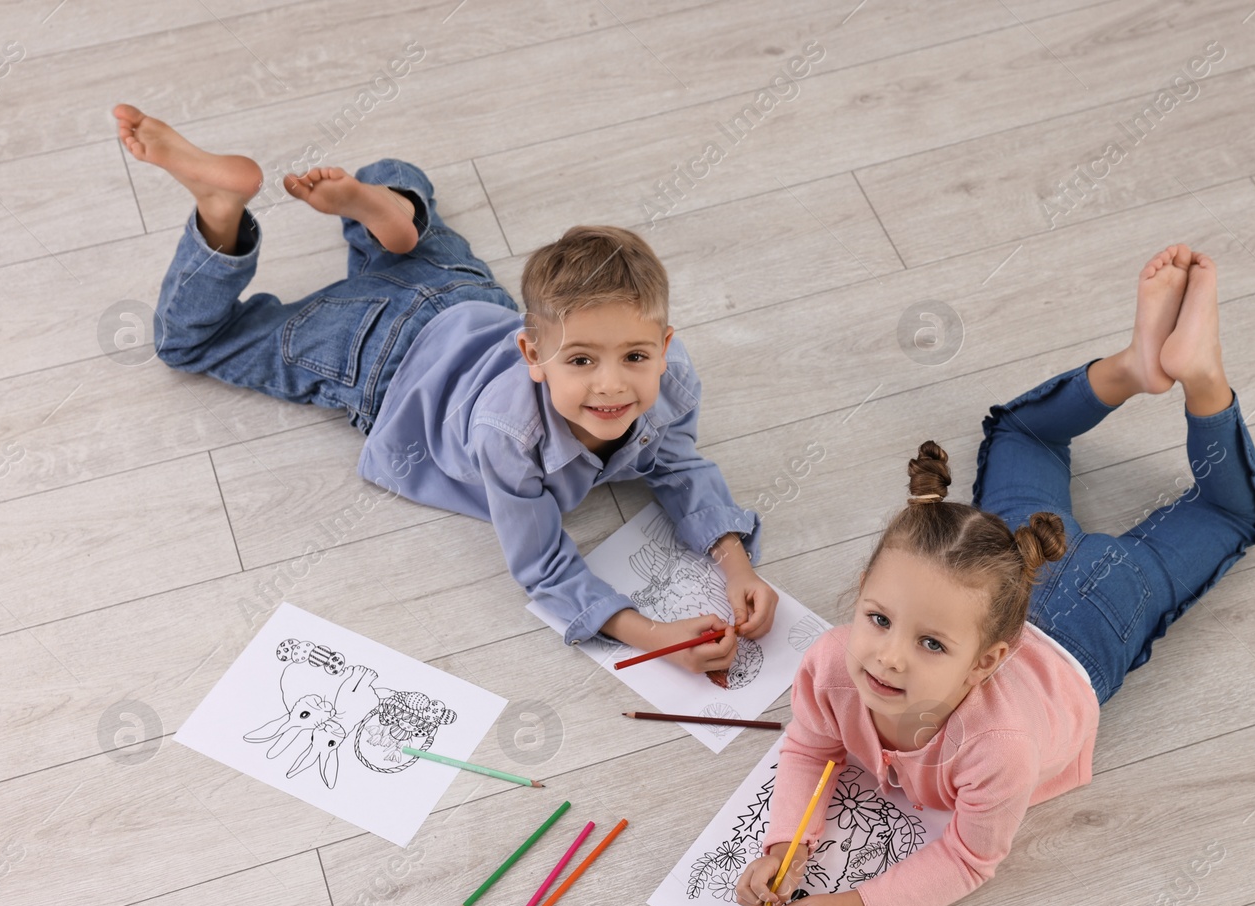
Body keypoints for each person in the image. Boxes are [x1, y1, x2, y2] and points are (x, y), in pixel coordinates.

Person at [734, 246, 1255, 906]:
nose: (888, 655)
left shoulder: (1000, 752)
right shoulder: (833, 661)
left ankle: (1202, 377)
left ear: (989, 660)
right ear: (860, 597)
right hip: (1010, 554)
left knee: (1225, 516)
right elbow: (810, 742)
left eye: (930, 644)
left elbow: (968, 858)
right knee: (1020, 430)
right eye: (877, 618)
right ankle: (1139, 364)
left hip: (1092, 620)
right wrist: (787, 841)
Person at [113, 105, 776, 667]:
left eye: (635, 356)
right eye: (581, 361)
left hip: (462, 296)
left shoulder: (672, 379)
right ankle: (222, 208)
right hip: (372, 355)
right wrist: (651, 635)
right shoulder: (509, 435)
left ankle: (381, 214)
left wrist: (735, 565)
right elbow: (543, 565)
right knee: (188, 343)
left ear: (664, 347)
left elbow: (676, 462)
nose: (611, 386)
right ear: (533, 354)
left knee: (400, 177)